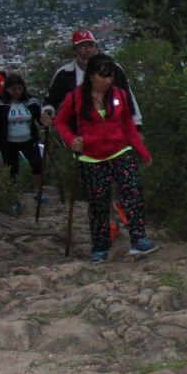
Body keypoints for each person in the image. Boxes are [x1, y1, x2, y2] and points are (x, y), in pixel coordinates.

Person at [54, 54, 158, 263]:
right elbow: (60, 121)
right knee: (98, 204)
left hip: (120, 151)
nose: (108, 80)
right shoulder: (75, 98)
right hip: (91, 158)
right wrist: (71, 140)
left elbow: (128, 122)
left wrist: (141, 150)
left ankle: (138, 238)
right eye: (103, 76)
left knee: (132, 193)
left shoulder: (119, 94)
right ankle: (100, 247)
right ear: (91, 76)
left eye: (110, 76)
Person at [43, 30, 143, 127]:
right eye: (82, 46)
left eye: (91, 45)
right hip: (79, 135)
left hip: (114, 130)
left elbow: (129, 99)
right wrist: (48, 113)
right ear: (74, 51)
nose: (87, 51)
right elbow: (50, 101)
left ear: (96, 48)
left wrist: (136, 125)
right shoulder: (64, 74)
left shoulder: (114, 69)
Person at [0, 73, 48, 198]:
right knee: (12, 170)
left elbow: (40, 118)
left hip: (29, 140)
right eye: (14, 89)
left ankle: (39, 191)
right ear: (7, 88)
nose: (17, 91)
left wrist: (47, 123)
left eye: (20, 88)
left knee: (37, 163)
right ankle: (14, 196)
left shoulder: (31, 101)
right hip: (8, 143)